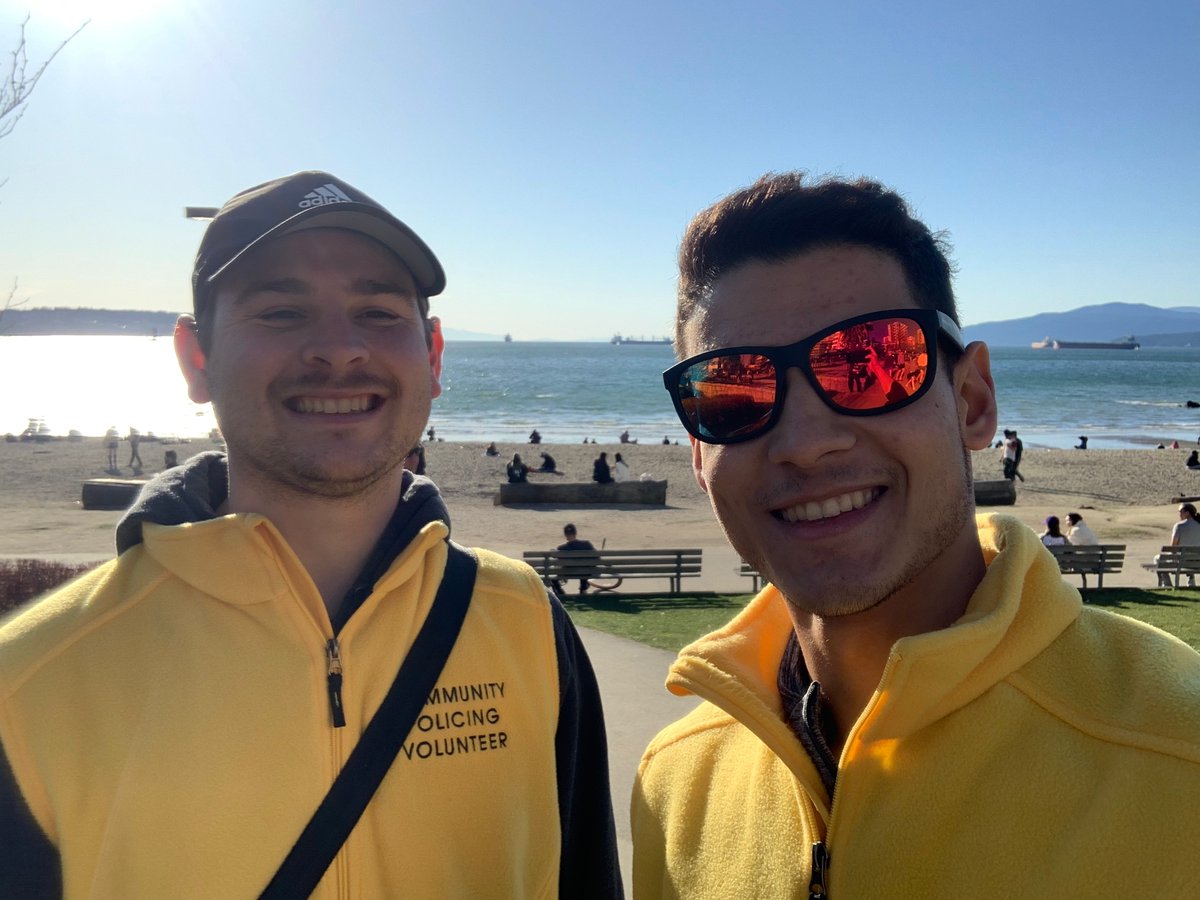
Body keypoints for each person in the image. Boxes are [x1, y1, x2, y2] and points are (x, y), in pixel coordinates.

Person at [0, 171, 621, 896]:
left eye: (379, 310)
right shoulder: (34, 681)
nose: (339, 349)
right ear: (195, 360)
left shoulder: (525, 624)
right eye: (281, 312)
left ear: (435, 355)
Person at [633, 171, 1200, 897]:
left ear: (972, 402)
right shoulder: (677, 783)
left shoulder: (1175, 757)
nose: (805, 443)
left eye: (870, 362)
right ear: (699, 456)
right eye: (731, 390)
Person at [549, 523, 598, 595]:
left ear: (566, 535)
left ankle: (560, 591)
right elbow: (597, 557)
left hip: (567, 573)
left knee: (553, 574)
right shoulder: (587, 544)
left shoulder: (561, 548)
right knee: (584, 567)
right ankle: (583, 588)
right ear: (575, 533)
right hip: (585, 572)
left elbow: (555, 560)